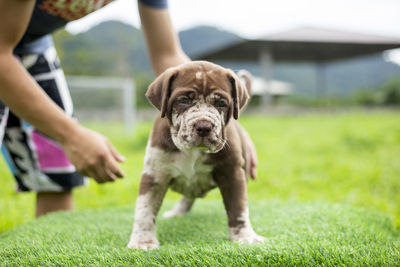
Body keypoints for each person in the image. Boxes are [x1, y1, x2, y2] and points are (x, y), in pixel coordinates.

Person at [0, 0, 257, 218]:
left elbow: (168, 56)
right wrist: (71, 135)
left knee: (58, 174)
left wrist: (229, 129)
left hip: (31, 43)